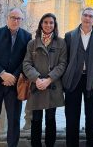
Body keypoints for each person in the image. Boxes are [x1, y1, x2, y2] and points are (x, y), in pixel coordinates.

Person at [0, 7, 32, 147]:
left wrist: (13, 76)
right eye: (13, 17)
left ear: (22, 20)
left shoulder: (27, 36)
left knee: (14, 121)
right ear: (7, 18)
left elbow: (26, 60)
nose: (15, 21)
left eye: (18, 18)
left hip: (15, 85)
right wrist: (3, 74)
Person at [23, 13, 67, 147]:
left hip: (52, 86)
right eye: (46, 22)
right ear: (41, 24)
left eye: (51, 23)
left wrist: (49, 79)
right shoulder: (32, 43)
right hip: (36, 87)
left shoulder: (61, 42)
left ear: (55, 25)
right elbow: (26, 64)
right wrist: (36, 79)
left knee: (50, 119)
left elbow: (62, 64)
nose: (48, 25)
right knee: (35, 120)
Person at [62, 7, 93, 147]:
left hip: (92, 81)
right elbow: (65, 59)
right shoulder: (69, 36)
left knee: (92, 118)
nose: (87, 18)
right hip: (73, 79)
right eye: (85, 15)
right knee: (72, 118)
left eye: (90, 16)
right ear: (81, 17)